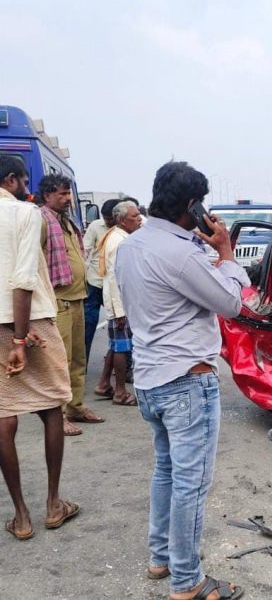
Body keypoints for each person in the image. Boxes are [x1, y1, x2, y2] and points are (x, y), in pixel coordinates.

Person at [116, 161, 246, 600]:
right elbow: (231, 303)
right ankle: (188, 582)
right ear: (193, 205)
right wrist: (226, 254)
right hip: (187, 382)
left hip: (150, 379)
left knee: (167, 472)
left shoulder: (131, 246)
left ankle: (162, 557)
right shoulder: (181, 254)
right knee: (191, 483)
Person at [0, 156, 79, 541]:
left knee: (3, 416)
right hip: (30, 320)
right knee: (50, 409)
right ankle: (53, 504)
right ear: (11, 179)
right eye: (24, 180)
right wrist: (20, 336)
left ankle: (21, 516)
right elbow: (24, 276)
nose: (26, 187)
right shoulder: (24, 214)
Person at [40, 174, 104, 436]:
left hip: (77, 298)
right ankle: (58, 417)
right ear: (47, 196)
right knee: (60, 363)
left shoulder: (66, 221)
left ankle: (75, 407)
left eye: (69, 193)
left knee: (78, 359)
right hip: (58, 301)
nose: (68, 199)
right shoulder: (42, 221)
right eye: (62, 194)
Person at [101, 201, 143, 407]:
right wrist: (120, 311)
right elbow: (114, 278)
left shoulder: (121, 237)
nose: (140, 219)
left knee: (116, 344)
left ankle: (103, 383)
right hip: (120, 304)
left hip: (121, 302)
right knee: (121, 347)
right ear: (123, 221)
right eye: (135, 217)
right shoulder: (119, 242)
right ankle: (120, 392)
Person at [82, 198, 120, 364]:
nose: (107, 222)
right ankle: (82, 366)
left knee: (120, 326)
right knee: (88, 324)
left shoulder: (124, 229)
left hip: (115, 286)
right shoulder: (95, 226)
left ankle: (121, 364)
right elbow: (85, 250)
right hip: (95, 283)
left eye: (110, 219)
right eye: (105, 218)